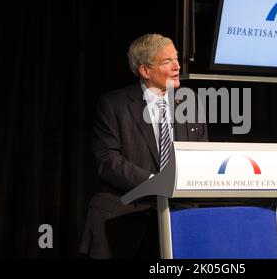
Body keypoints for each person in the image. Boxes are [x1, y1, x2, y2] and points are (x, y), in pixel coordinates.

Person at [79, 33, 208, 258]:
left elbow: (201, 156)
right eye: (167, 61)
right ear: (145, 71)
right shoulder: (113, 104)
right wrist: (154, 183)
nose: (178, 66)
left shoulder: (190, 104)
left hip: (179, 216)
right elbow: (108, 161)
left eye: (177, 58)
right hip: (126, 214)